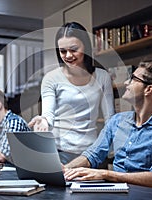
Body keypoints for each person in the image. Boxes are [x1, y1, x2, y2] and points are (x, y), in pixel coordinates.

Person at [64, 61, 152, 190]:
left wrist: (106, 174)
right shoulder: (117, 120)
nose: (125, 83)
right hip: (115, 194)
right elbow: (93, 154)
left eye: (133, 79)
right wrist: (65, 170)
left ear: (149, 89)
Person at [28, 22, 115, 163]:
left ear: (85, 47)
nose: (68, 55)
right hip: (59, 152)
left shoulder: (102, 77)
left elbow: (110, 118)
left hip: (91, 152)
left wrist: (108, 147)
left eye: (74, 49)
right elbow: (48, 115)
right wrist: (43, 120)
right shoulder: (51, 78)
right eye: (62, 51)